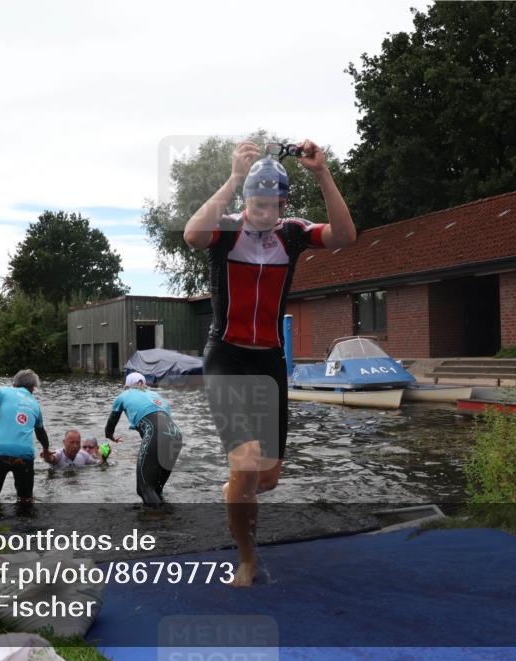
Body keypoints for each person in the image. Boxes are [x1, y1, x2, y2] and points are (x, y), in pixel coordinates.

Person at [183, 139, 356, 586]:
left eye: (272, 203)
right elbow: (191, 235)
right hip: (225, 356)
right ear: (247, 201)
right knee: (246, 461)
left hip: (270, 363)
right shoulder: (225, 231)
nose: (264, 211)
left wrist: (322, 173)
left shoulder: (292, 232)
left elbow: (346, 237)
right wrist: (234, 177)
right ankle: (247, 559)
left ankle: (233, 495)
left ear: (283, 202)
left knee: (267, 478)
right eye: (256, 202)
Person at [104, 372, 183, 505]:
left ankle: (157, 521)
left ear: (127, 386)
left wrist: (109, 436)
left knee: (144, 488)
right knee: (156, 488)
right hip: (176, 435)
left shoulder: (124, 395)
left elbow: (111, 422)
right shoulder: (156, 395)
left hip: (155, 432)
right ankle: (166, 518)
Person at [0, 369, 50, 505]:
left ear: (14, 384)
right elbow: (41, 432)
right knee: (25, 501)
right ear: (32, 388)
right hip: (24, 454)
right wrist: (46, 449)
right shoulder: (35, 404)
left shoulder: (2, 391)